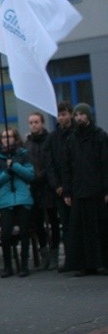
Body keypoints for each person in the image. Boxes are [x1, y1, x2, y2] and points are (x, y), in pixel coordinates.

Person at [62, 103, 108, 276]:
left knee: (100, 227)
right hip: (78, 190)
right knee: (81, 230)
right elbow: (67, 167)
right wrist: (67, 191)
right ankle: (84, 264)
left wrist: (106, 189)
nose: (79, 117)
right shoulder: (71, 139)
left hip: (97, 190)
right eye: (76, 115)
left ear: (88, 116)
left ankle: (102, 263)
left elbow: (105, 163)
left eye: (82, 114)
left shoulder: (100, 136)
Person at [0, 127, 35, 277]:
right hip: (6, 200)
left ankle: (24, 265)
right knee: (5, 235)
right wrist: (7, 171)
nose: (6, 140)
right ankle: (8, 266)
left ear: (15, 139)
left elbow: (30, 175)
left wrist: (15, 166)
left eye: (9, 137)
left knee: (24, 233)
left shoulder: (23, 155)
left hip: (22, 198)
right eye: (3, 137)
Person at [24, 112, 59, 270]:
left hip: (48, 186)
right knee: (38, 223)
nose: (33, 125)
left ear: (42, 123)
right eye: (31, 122)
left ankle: (54, 254)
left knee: (53, 221)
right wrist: (32, 176)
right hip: (34, 188)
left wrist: (42, 174)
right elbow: (26, 162)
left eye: (36, 122)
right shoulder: (27, 143)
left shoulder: (50, 139)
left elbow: (51, 161)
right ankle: (44, 253)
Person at [44, 101, 74, 271]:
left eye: (64, 114)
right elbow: (50, 164)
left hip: (77, 187)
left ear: (70, 114)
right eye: (59, 115)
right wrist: (57, 185)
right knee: (67, 226)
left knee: (81, 223)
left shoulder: (76, 133)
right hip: (61, 190)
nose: (61, 118)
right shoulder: (53, 138)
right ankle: (70, 259)